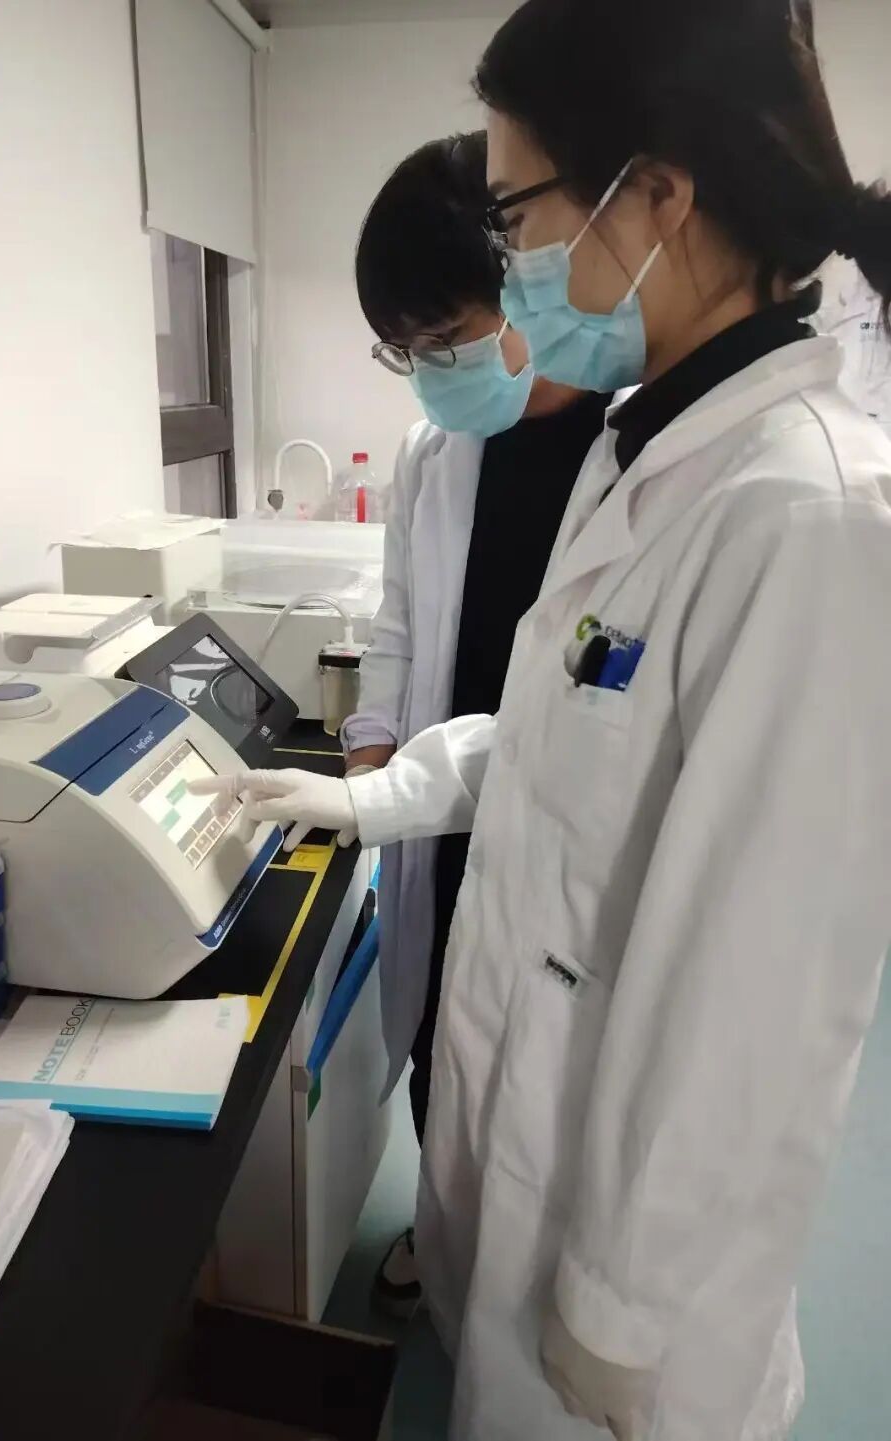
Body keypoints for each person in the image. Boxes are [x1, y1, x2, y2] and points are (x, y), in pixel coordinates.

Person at [194, 1, 891, 1435]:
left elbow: (758, 994)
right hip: (528, 1190)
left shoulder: (811, 516)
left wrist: (624, 1317)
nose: (509, 264)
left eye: (515, 216)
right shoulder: (655, 459)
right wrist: (372, 795)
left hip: (632, 1300)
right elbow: (559, 743)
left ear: (658, 194)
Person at [345, 131, 609, 1318]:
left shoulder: (629, 447)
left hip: (567, 819)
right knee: (439, 1036)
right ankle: (440, 1229)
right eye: (406, 350)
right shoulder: (433, 453)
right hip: (438, 817)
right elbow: (396, 624)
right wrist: (367, 767)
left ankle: (524, 1269)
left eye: (446, 335)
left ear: (530, 288)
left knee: (544, 1055)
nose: (429, 370)